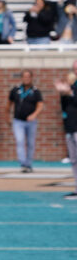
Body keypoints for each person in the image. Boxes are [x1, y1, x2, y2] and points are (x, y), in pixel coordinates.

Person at [8, 70, 43, 173]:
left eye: (28, 76)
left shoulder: (36, 91)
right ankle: (23, 163)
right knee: (20, 140)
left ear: (31, 78)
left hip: (31, 122)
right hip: (18, 121)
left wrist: (34, 115)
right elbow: (9, 103)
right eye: (24, 76)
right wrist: (7, 116)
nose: (26, 78)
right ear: (21, 78)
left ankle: (28, 164)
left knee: (30, 143)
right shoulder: (15, 90)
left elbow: (40, 105)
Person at [55, 63, 77, 199]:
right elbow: (65, 107)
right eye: (74, 69)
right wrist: (63, 93)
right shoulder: (73, 85)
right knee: (74, 160)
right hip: (70, 126)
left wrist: (69, 92)